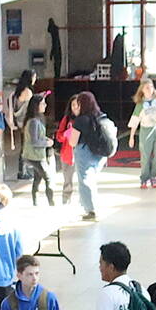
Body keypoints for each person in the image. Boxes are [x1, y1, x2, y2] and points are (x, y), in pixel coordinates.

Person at [64, 92, 114, 221]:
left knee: (85, 181)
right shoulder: (100, 116)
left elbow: (73, 142)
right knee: (92, 180)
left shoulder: (81, 120)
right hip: (100, 154)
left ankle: (91, 210)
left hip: (84, 153)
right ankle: (92, 205)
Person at [129, 80, 156, 188]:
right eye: (147, 87)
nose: (149, 90)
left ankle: (153, 176)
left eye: (151, 87)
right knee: (145, 155)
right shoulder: (141, 104)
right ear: (142, 89)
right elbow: (135, 120)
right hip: (146, 129)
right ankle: (144, 178)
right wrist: (132, 137)